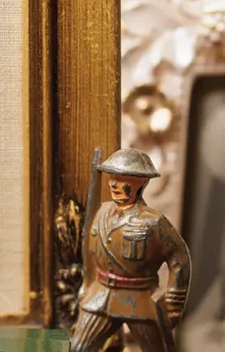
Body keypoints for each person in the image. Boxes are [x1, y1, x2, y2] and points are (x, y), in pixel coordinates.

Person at [69, 148, 191, 352]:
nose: (114, 185)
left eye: (123, 179)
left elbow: (179, 257)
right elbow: (89, 252)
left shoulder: (154, 222)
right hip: (100, 296)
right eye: (112, 178)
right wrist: (87, 284)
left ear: (141, 183)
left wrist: (173, 303)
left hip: (139, 301)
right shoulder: (101, 212)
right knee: (78, 348)